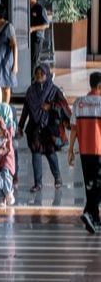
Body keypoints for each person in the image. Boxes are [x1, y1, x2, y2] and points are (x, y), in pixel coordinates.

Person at [19, 64, 71, 192]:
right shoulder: (30, 91)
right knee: (36, 154)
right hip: (35, 128)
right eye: (37, 74)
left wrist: (51, 106)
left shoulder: (54, 90)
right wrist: (20, 126)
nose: (39, 76)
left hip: (49, 128)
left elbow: (63, 105)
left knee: (50, 154)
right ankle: (38, 183)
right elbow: (26, 109)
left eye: (41, 74)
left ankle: (57, 178)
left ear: (47, 75)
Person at [68, 72, 101, 234]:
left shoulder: (79, 103)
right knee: (97, 186)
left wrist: (70, 150)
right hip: (99, 151)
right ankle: (89, 213)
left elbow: (73, 128)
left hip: (85, 151)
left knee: (90, 185)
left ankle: (94, 218)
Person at [29, 0, 50, 69]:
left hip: (37, 38)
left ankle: (34, 79)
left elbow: (46, 24)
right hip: (28, 38)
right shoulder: (27, 8)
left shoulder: (40, 8)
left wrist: (33, 29)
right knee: (30, 60)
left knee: (34, 60)